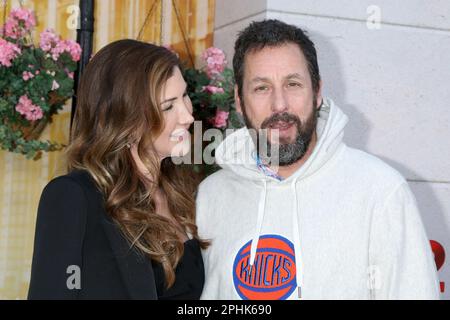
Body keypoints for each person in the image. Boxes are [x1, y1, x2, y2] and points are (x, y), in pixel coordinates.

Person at [196, 19, 440, 300]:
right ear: (239, 100)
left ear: (318, 92)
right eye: (261, 88)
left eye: (293, 84)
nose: (280, 105)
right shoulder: (209, 197)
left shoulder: (380, 192)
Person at [28, 39, 209, 299]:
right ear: (127, 119)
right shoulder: (74, 197)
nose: (188, 116)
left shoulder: (187, 191)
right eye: (168, 106)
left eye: (185, 96)